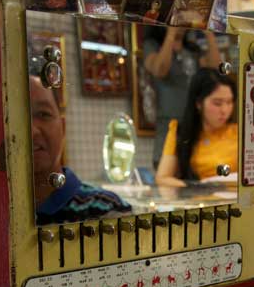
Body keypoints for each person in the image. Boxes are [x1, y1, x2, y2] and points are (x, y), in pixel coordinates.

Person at [29, 75, 130, 224]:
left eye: (43, 114)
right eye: (15, 118)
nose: (32, 131)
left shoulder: (105, 209)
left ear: (63, 127)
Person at [143, 26, 221, 168]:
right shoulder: (152, 45)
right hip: (167, 123)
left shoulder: (191, 50)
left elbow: (215, 70)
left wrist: (210, 34)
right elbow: (160, 69)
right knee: (166, 167)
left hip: (192, 122)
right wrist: (170, 35)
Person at [155, 67, 237, 187]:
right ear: (198, 103)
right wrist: (196, 188)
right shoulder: (180, 131)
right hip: (200, 200)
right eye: (217, 103)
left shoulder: (240, 133)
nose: (225, 110)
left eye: (229, 102)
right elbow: (162, 178)